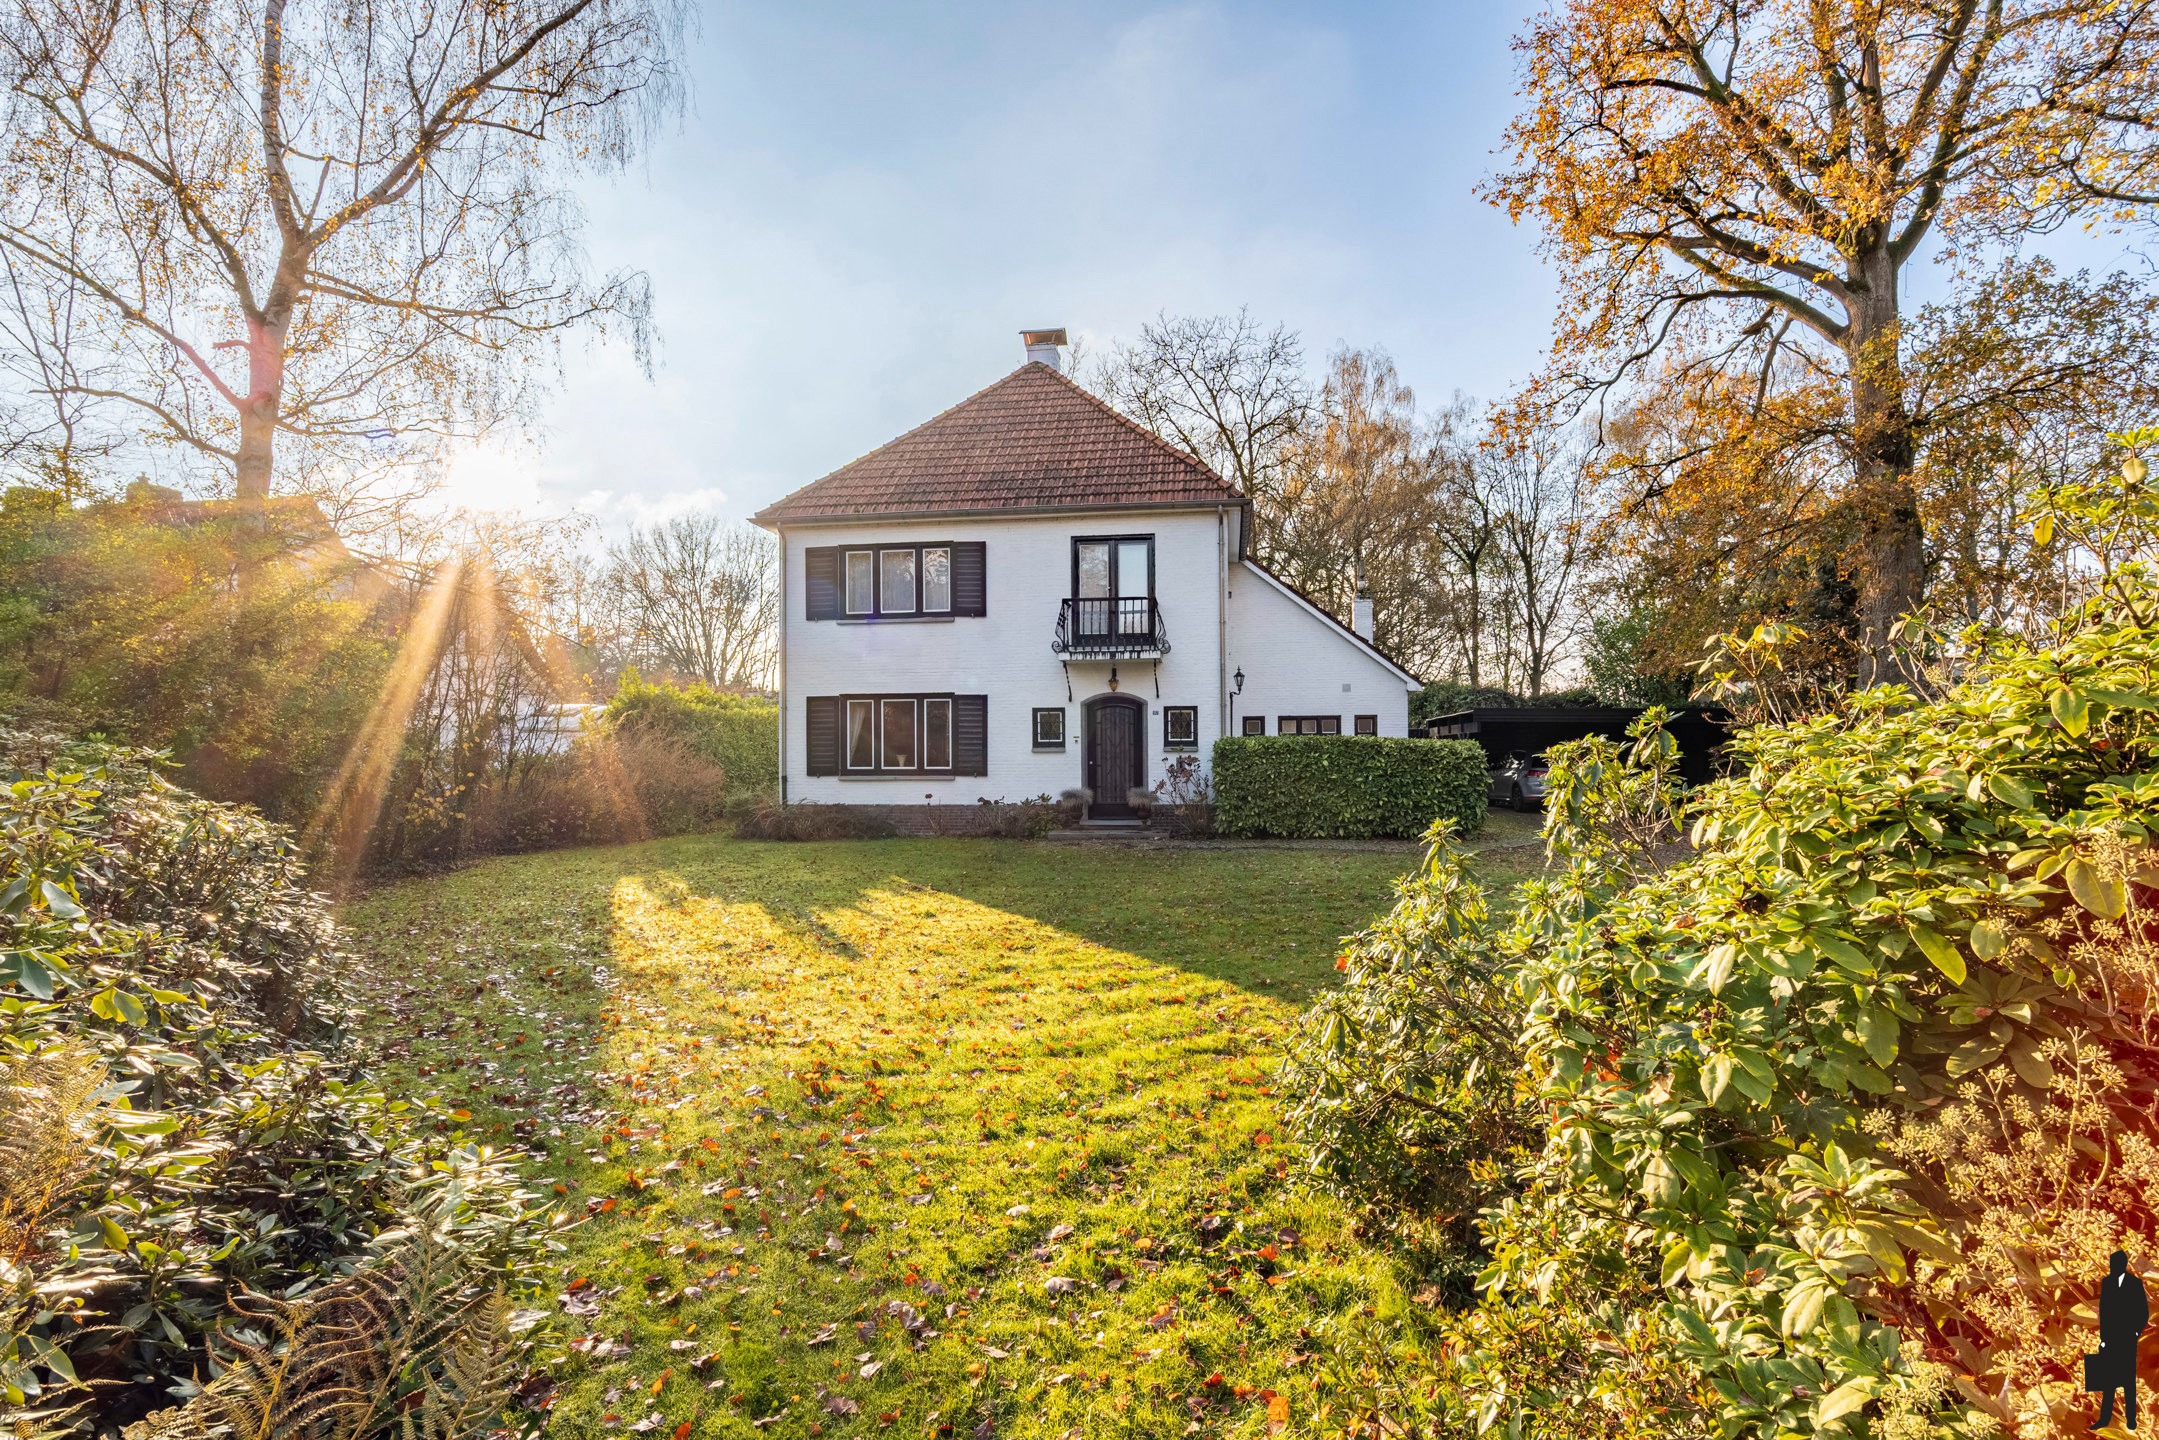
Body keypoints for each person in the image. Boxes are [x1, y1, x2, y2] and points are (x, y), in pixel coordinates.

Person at [2097, 1249, 2150, 1431]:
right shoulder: (2107, 1282)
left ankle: (2131, 1419)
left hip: (2127, 1336)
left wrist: (2135, 1332)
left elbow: (2142, 1310)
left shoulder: (2134, 1283)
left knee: (2128, 1380)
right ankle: (2105, 1417)